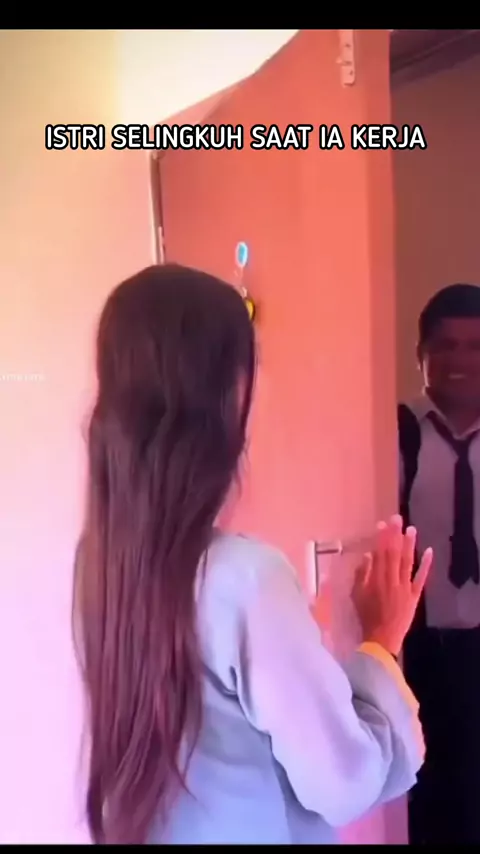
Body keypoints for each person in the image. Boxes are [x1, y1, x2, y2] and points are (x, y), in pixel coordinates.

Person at [73, 264, 432, 845]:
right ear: (226, 393)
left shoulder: (99, 566)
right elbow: (344, 783)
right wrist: (381, 641)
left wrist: (296, 640)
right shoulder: (245, 580)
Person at [399, 283, 480, 844]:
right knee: (428, 798)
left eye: (475, 346)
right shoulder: (397, 433)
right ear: (421, 354)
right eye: (446, 345)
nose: (460, 359)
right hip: (422, 653)